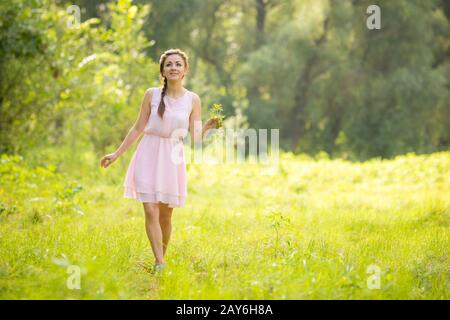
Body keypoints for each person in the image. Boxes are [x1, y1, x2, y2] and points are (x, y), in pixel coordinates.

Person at [100, 48, 218, 272]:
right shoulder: (151, 94)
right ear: (162, 70)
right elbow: (137, 128)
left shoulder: (192, 99)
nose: (173, 67)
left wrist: (208, 127)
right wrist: (115, 155)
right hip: (148, 152)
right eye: (169, 64)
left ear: (185, 70)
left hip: (172, 158)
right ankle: (159, 262)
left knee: (166, 214)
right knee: (150, 210)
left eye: (178, 64)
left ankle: (160, 259)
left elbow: (195, 138)